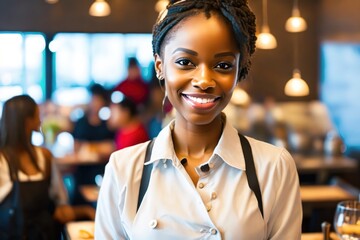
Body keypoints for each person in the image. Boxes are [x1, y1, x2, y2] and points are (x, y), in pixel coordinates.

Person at [95, 0, 302, 239]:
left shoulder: (274, 167)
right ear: (160, 66)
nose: (204, 80)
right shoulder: (123, 169)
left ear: (239, 72)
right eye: (185, 63)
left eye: (223, 65)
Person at [0, 95, 95, 239]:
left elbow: (61, 207)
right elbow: (61, 206)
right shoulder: (3, 160)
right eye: (37, 114)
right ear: (27, 121)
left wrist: (86, 211)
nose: (41, 119)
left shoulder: (44, 156)